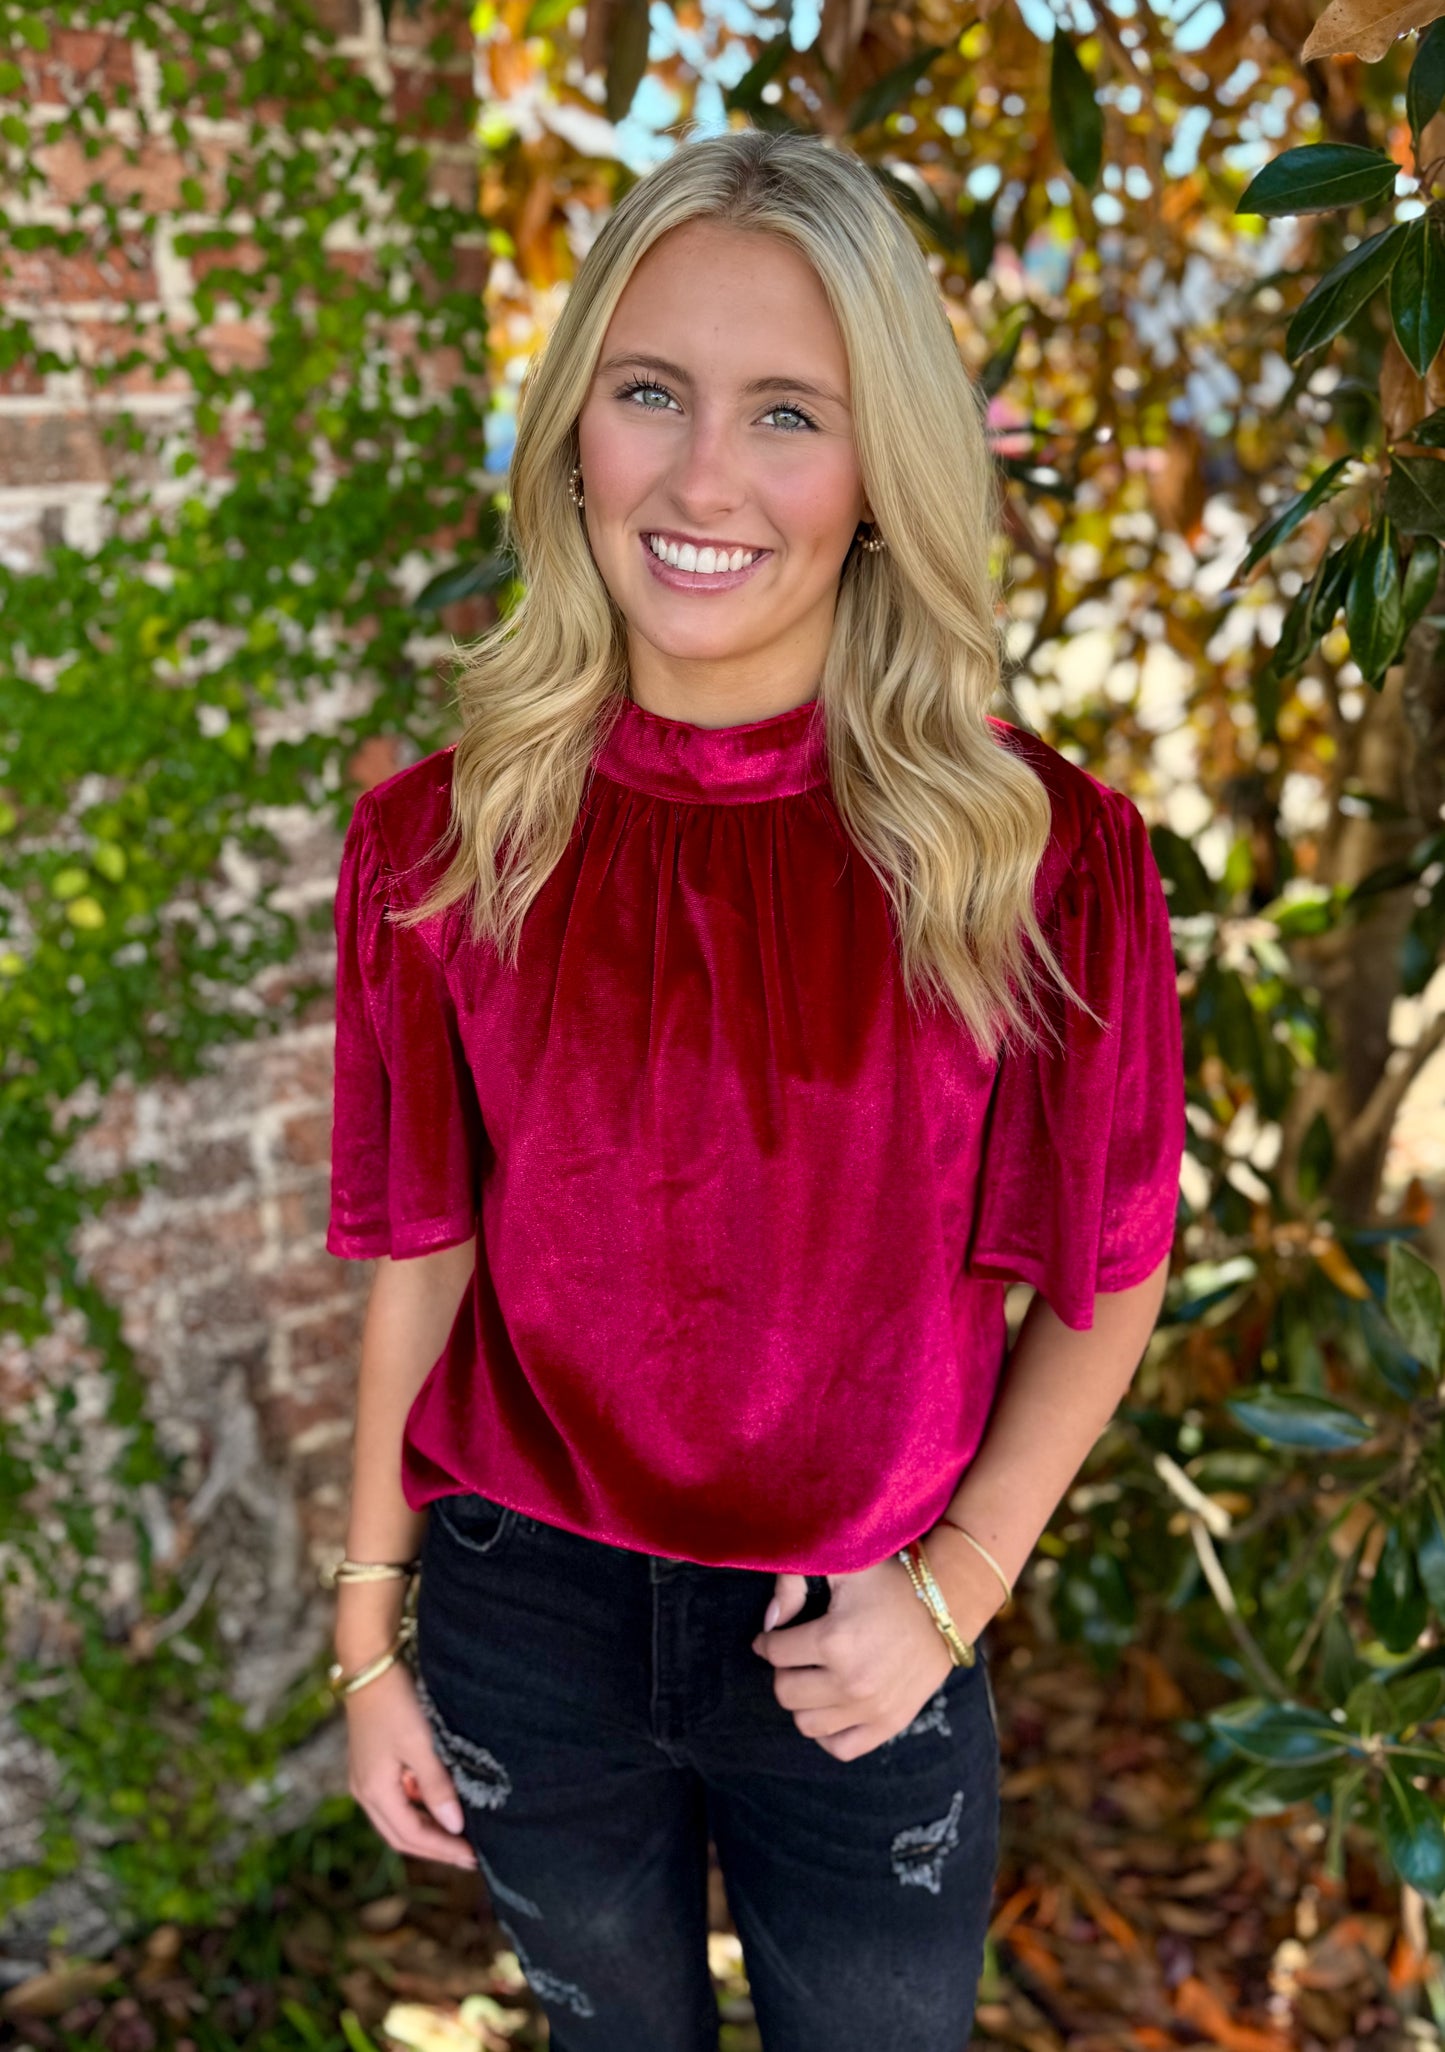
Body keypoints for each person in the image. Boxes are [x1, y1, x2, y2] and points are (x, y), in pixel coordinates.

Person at [322, 126, 1185, 2052]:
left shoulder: (1034, 859)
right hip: (519, 1612)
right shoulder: (439, 845)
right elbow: (423, 1249)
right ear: (572, 429)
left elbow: (1108, 1268)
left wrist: (954, 1591)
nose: (702, 477)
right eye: (650, 392)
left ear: (884, 473)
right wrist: (369, 1627)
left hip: (860, 1632)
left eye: (787, 413)